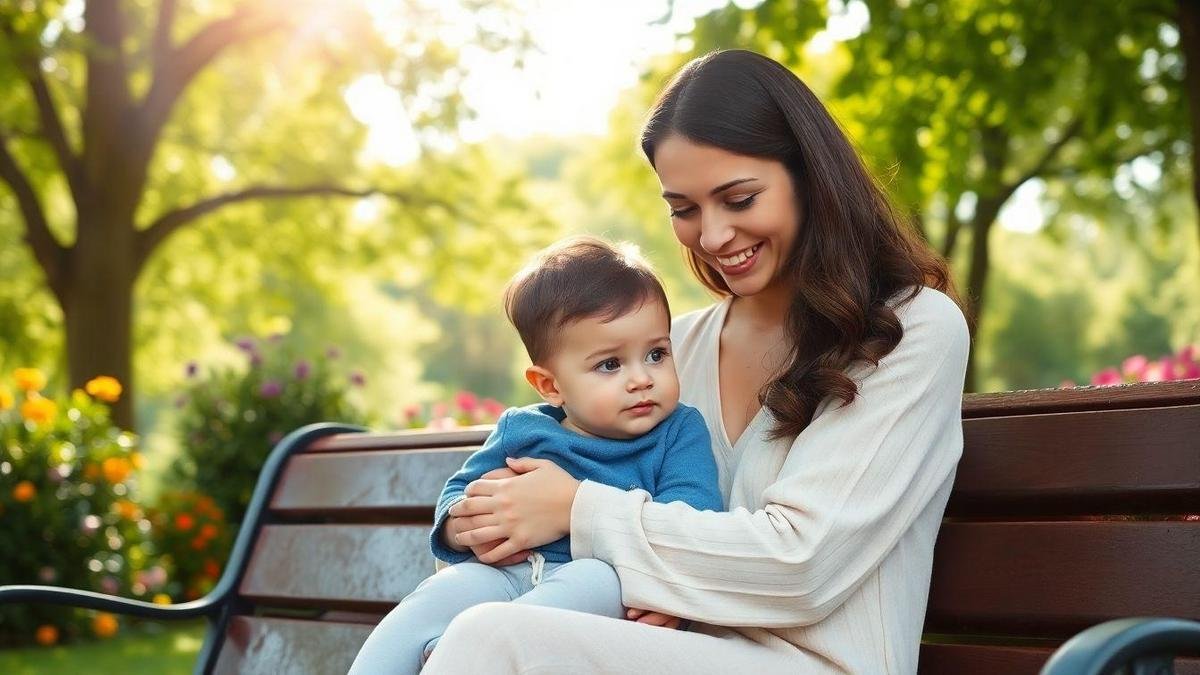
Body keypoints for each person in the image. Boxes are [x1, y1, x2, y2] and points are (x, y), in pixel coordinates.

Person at [421, 49, 971, 674]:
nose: (711, 237)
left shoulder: (910, 329)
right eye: (684, 209)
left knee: (496, 642)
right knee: (469, 629)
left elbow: (803, 565)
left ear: (809, 178)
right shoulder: (665, 354)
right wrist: (486, 524)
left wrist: (577, 511)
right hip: (669, 652)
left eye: (738, 199)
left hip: (820, 666)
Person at [347, 236, 723, 674]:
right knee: (432, 599)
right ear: (550, 386)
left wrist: (664, 592)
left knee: (595, 580)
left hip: (601, 587)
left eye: (656, 354)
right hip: (506, 573)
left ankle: (464, 650)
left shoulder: (677, 431)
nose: (641, 378)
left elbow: (691, 517)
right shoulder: (524, 430)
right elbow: (459, 493)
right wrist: (461, 526)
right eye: (610, 365)